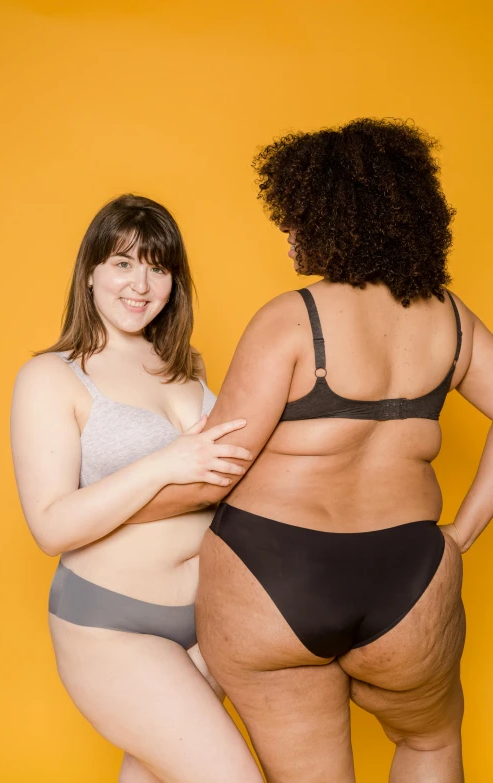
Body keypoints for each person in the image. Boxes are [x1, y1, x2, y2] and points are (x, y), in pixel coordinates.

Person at [129, 119, 493, 782]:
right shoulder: (451, 318)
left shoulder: (291, 320)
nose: (289, 233)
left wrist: (104, 515)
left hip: (277, 577)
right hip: (411, 581)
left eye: (296, 216)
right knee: (431, 744)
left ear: (333, 219)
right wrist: (461, 535)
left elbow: (214, 470)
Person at [10, 194, 264, 783]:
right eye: (123, 263)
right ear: (91, 272)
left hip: (214, 615)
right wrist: (166, 463)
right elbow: (51, 526)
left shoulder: (187, 368)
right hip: (112, 623)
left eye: (158, 267)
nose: (141, 284)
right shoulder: (53, 376)